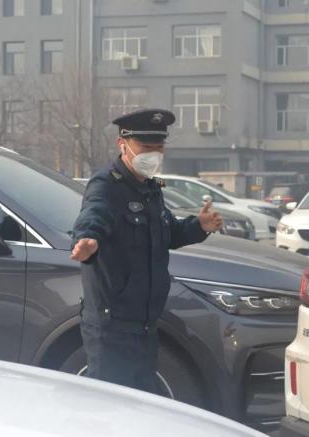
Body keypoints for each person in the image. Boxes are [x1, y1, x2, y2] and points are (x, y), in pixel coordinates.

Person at [70, 108, 223, 394]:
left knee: (141, 403)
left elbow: (168, 233)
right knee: (109, 404)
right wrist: (88, 239)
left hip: (146, 325)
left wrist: (199, 226)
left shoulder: (151, 188)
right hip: (112, 327)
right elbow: (95, 214)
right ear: (122, 144)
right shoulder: (106, 185)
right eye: (145, 147)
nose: (154, 154)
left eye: (159, 147)